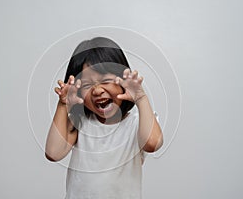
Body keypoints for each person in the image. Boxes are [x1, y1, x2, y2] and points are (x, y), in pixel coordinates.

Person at [45, 37, 163, 199]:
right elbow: (53, 153)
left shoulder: (137, 122)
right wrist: (63, 104)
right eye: (87, 85)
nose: (97, 90)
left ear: (123, 81)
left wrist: (141, 98)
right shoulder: (80, 122)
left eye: (106, 81)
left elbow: (152, 144)